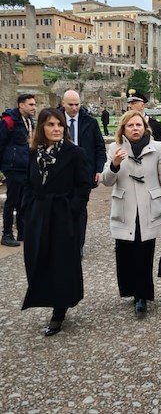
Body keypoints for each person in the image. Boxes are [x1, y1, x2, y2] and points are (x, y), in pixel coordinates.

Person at [22, 108, 92, 336]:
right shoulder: (34, 153)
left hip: (62, 215)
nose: (56, 129)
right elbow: (27, 183)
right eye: (51, 124)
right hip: (38, 215)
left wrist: (72, 210)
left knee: (62, 263)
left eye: (60, 125)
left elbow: (83, 187)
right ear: (41, 127)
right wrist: (28, 207)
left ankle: (59, 311)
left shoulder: (75, 153)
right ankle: (45, 296)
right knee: (38, 260)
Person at [101, 111, 161, 316]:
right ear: (123, 129)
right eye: (130, 125)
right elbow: (106, 181)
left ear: (145, 128)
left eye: (139, 125)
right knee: (124, 253)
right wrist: (115, 164)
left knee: (145, 253)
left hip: (149, 207)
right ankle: (130, 290)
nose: (135, 128)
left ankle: (142, 295)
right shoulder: (114, 148)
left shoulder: (156, 148)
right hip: (125, 207)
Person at [61, 90, 106, 256]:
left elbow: (99, 146)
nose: (74, 108)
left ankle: (78, 245)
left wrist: (99, 169)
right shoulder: (55, 120)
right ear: (63, 103)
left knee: (80, 208)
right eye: (70, 105)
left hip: (83, 172)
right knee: (61, 207)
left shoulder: (90, 122)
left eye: (77, 105)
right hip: (61, 171)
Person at [0, 94, 36, 246]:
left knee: (23, 200)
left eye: (34, 104)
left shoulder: (29, 121)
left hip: (26, 165)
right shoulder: (8, 121)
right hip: (13, 166)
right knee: (12, 201)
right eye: (30, 105)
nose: (34, 107)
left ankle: (22, 231)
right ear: (21, 105)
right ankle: (7, 233)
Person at [126, 89, 161, 155]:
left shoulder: (154, 124)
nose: (129, 106)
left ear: (142, 105)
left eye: (133, 103)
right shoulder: (125, 124)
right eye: (128, 103)